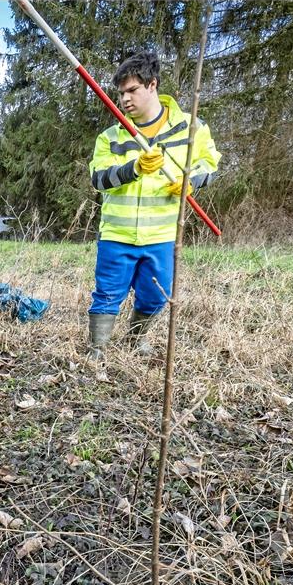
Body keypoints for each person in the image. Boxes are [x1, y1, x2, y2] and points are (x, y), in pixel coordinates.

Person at [86, 51, 221, 360]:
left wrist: (191, 182)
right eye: (120, 93)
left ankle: (137, 339)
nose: (125, 99)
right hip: (116, 236)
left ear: (152, 85)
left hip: (161, 236)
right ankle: (97, 349)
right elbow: (99, 179)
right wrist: (134, 168)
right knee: (107, 294)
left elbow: (210, 165)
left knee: (155, 296)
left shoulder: (191, 129)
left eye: (132, 90)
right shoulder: (110, 137)